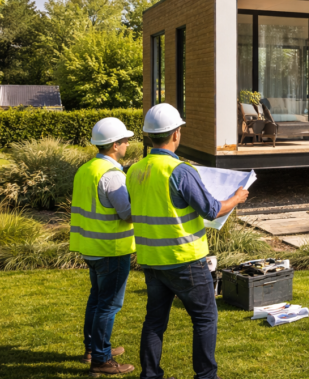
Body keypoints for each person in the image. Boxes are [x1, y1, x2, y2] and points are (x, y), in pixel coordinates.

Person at [127, 103, 248, 379]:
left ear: (149, 136)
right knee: (205, 318)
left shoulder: (134, 171)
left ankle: (150, 374)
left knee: (155, 321)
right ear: (176, 134)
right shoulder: (180, 171)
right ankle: (206, 376)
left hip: (150, 259)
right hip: (184, 259)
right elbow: (211, 209)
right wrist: (237, 198)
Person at [70, 117, 137, 376]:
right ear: (114, 145)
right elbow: (126, 213)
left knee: (97, 300)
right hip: (111, 250)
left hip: (91, 247)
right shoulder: (112, 175)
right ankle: (101, 358)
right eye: (125, 140)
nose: (128, 144)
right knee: (109, 305)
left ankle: (92, 349)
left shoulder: (86, 169)